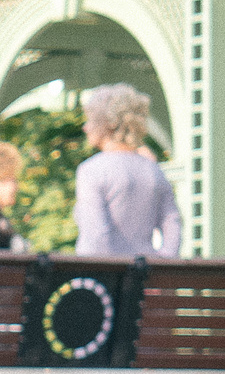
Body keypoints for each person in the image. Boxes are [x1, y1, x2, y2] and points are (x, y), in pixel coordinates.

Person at [72, 83, 180, 257]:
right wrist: (164, 269)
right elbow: (172, 224)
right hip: (147, 274)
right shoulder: (154, 170)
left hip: (105, 276)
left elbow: (95, 236)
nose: (85, 127)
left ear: (109, 123)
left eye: (90, 120)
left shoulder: (91, 171)